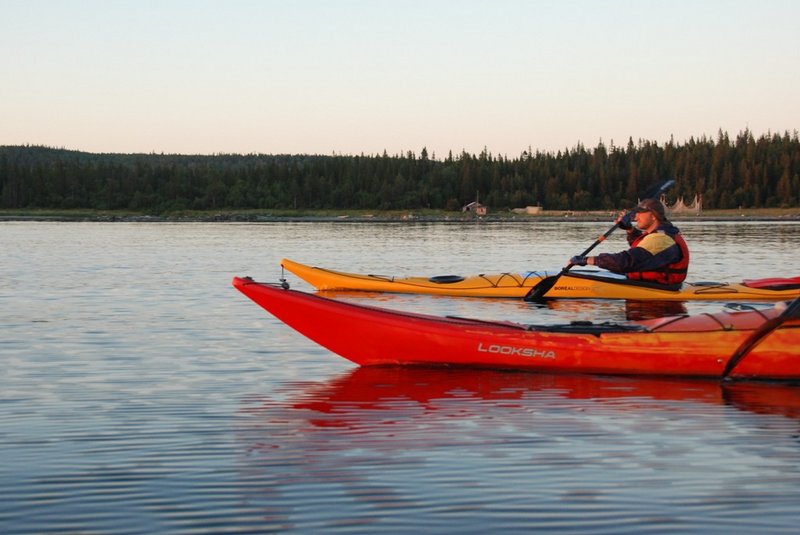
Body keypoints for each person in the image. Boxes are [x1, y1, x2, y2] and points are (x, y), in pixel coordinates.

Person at [569, 198, 690, 286]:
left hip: (657, 292)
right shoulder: (661, 234)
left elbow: (626, 261)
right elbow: (645, 253)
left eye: (640, 213)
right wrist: (630, 230)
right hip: (646, 283)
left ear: (653, 216)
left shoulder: (661, 239)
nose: (636, 217)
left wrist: (587, 260)